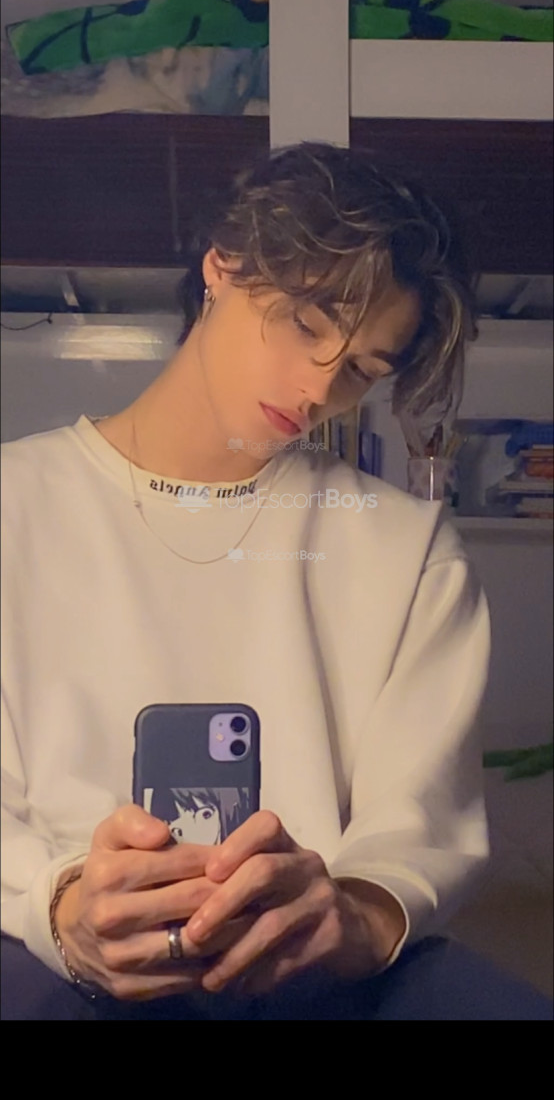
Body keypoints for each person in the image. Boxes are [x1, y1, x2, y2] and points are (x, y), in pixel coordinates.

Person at [1, 142, 551, 1021]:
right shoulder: (15, 504)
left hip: (311, 970)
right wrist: (61, 904)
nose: (320, 386)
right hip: (49, 953)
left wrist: (349, 913)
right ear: (222, 265)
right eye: (307, 324)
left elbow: (420, 828)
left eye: (363, 369)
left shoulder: (407, 549)